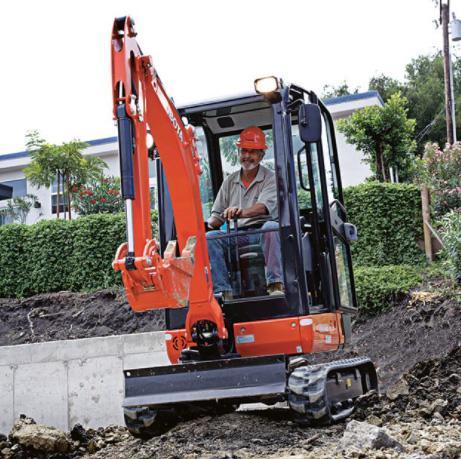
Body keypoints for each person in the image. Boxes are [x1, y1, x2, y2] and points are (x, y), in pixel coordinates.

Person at [206, 126, 284, 299]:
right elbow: (216, 217)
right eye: (244, 151)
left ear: (261, 155)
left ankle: (275, 284)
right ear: (238, 152)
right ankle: (223, 292)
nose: (247, 155)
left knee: (271, 228)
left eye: (253, 151)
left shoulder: (270, 178)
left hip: (260, 231)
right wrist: (209, 222)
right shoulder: (230, 181)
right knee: (210, 238)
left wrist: (239, 212)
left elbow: (263, 208)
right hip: (236, 234)